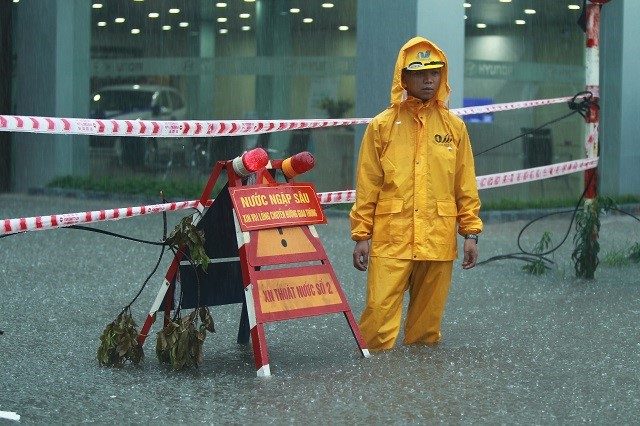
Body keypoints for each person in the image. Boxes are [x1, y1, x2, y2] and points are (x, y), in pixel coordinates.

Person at [350, 36, 483, 351]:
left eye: (435, 72)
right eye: (419, 72)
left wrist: (471, 233)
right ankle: (371, 394)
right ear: (403, 77)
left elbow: (465, 183)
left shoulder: (455, 128)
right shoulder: (382, 127)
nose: (428, 79)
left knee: (425, 333)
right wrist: (361, 235)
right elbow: (367, 184)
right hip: (390, 238)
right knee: (376, 329)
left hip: (436, 239)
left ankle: (419, 393)